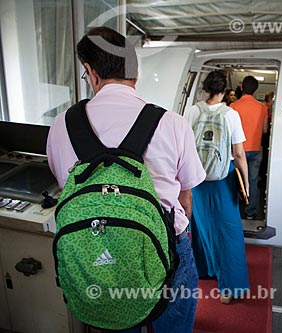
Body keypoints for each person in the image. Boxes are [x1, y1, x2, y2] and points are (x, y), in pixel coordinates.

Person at [46, 27, 206, 333]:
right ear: (134, 72)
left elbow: (69, 190)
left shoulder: (62, 125)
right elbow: (185, 199)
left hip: (92, 249)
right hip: (167, 245)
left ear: (90, 72)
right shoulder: (172, 123)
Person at [184, 70, 250, 304]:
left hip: (198, 180)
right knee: (228, 233)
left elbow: (185, 148)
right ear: (224, 92)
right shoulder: (230, 114)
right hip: (223, 180)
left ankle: (204, 270)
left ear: (204, 88)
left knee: (201, 228)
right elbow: (239, 153)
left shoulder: (191, 111)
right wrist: (246, 183)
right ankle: (228, 288)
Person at [230, 76, 268, 220]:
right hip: (256, 150)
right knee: (252, 181)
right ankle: (251, 213)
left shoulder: (233, 107)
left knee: (235, 181)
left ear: (241, 87)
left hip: (237, 150)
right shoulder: (262, 107)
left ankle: (235, 212)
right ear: (255, 89)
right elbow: (264, 130)